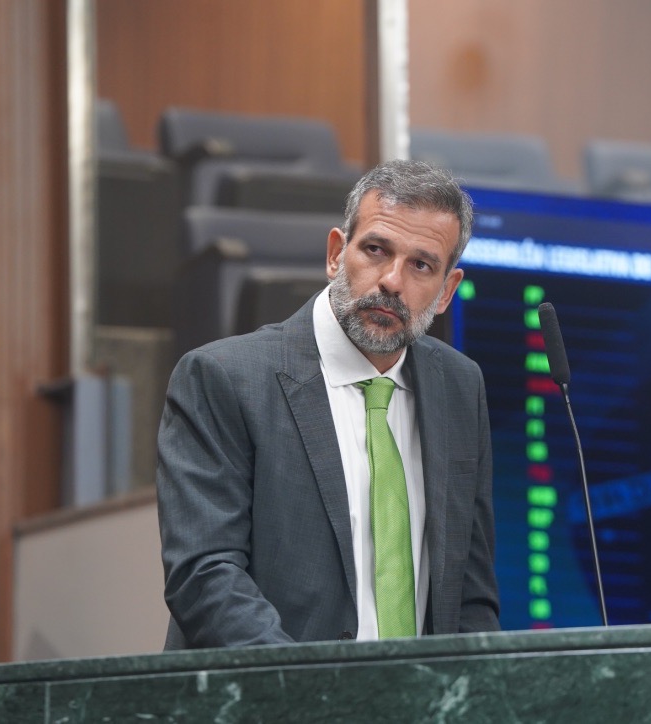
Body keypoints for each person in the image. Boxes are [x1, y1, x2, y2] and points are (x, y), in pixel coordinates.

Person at [156, 159, 500, 648]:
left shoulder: (460, 387)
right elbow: (206, 575)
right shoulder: (224, 378)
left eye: (421, 265)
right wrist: (314, 686)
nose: (392, 281)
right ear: (337, 254)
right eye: (376, 250)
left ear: (447, 291)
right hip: (274, 688)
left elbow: (471, 594)